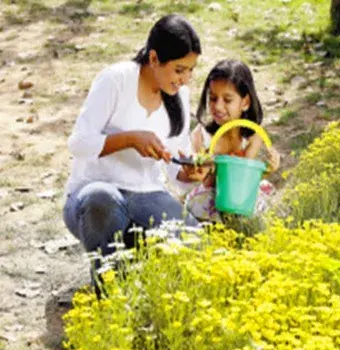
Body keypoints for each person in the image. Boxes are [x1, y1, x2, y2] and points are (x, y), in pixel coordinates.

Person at [63, 14, 202, 286]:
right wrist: (129, 139)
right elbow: (78, 143)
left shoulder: (179, 97)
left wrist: (189, 172)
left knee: (197, 248)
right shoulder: (116, 80)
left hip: (146, 196)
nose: (185, 79)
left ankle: (137, 270)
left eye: (190, 70)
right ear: (153, 59)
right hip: (94, 198)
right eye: (179, 69)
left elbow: (174, 167)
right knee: (100, 198)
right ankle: (109, 288)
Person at [185, 59, 280, 222]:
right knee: (203, 202)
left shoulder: (252, 137)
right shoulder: (202, 136)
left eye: (227, 100)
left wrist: (269, 169)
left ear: (245, 102)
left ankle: (245, 229)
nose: (218, 107)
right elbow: (203, 180)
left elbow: (246, 177)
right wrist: (207, 167)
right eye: (213, 99)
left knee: (263, 194)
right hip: (212, 193)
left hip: (238, 193)